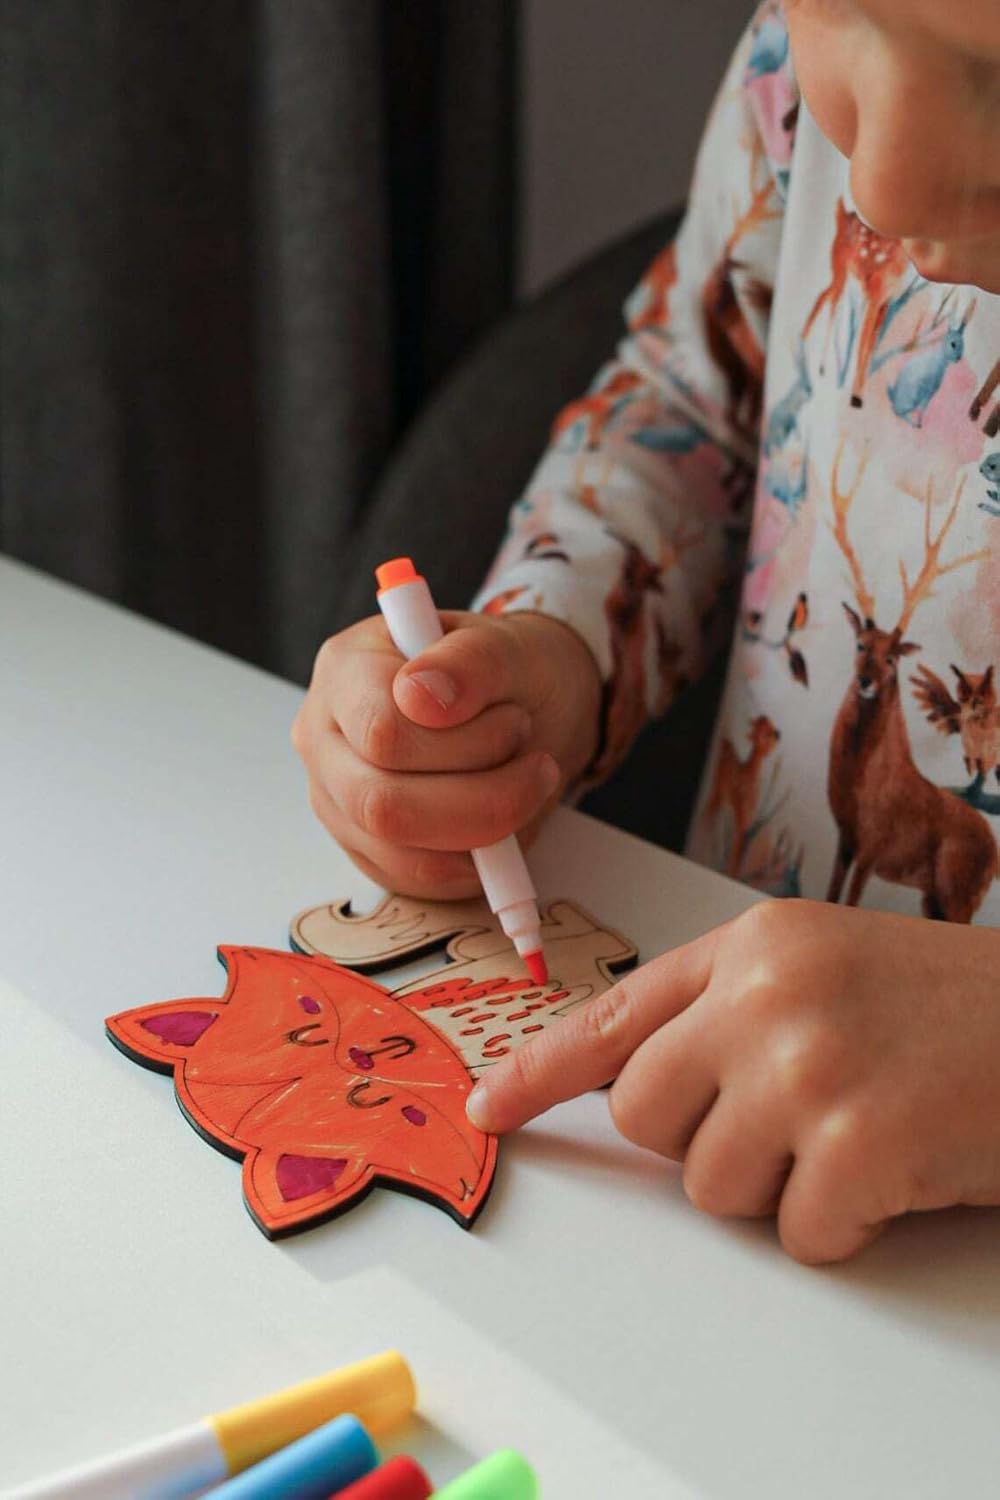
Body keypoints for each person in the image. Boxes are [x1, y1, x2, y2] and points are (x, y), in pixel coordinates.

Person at [292, 0, 1000, 1263]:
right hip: (700, 1174)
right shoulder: (795, 74)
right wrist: (550, 658)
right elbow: (696, 406)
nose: (882, 184)